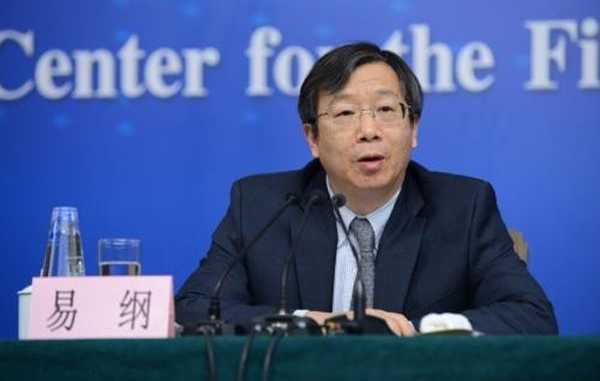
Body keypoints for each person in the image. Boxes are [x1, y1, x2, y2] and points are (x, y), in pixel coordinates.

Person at [175, 42, 558, 335]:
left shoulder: (464, 207)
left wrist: (418, 331)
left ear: (413, 129)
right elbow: (193, 308)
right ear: (312, 138)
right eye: (344, 113)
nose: (369, 130)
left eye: (386, 110)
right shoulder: (262, 205)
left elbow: (531, 316)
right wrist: (312, 324)